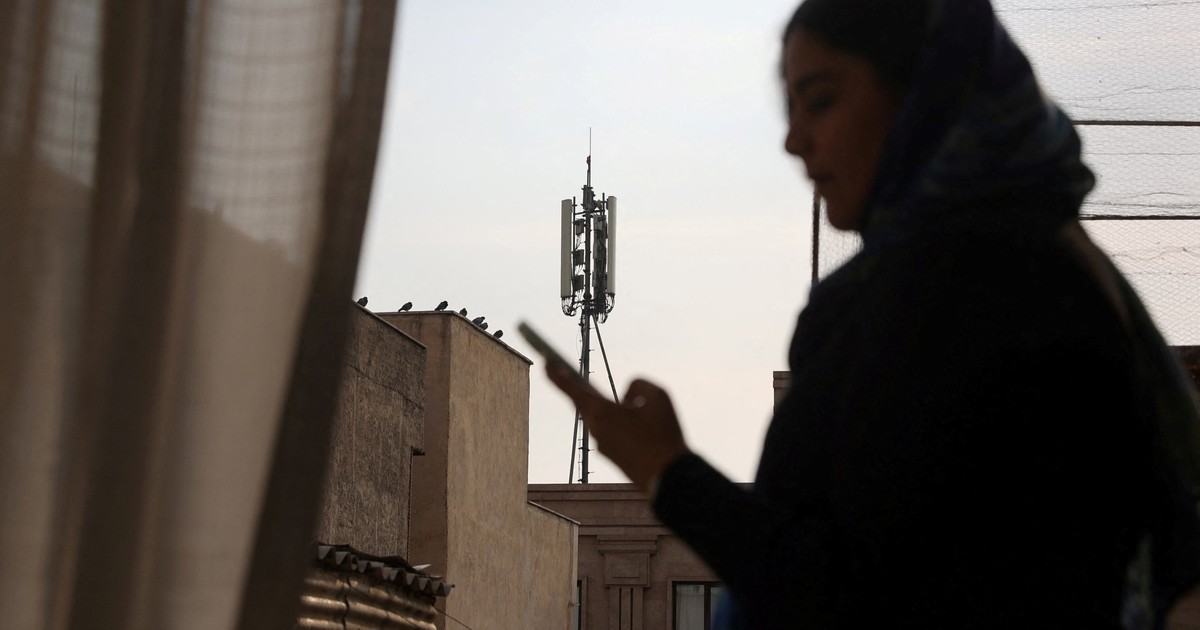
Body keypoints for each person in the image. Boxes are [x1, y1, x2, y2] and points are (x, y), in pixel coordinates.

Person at [546, 0, 1200, 628]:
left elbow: (849, 598)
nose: (794, 140)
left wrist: (667, 475)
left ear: (921, 92)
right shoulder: (1068, 272)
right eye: (792, 108)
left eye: (821, 100)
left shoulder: (934, 295)